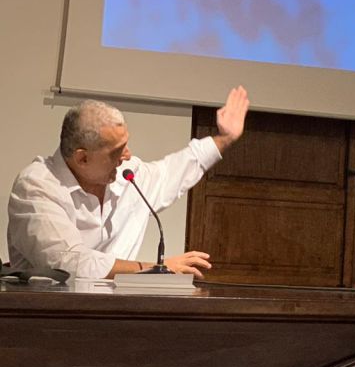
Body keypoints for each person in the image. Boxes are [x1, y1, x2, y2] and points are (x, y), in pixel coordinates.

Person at [7, 86, 249, 279]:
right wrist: (157, 269)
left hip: (116, 314)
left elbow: (172, 171)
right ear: (82, 158)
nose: (127, 155)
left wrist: (225, 138)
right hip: (47, 318)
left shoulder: (128, 174)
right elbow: (69, 262)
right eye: (117, 151)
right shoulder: (36, 186)